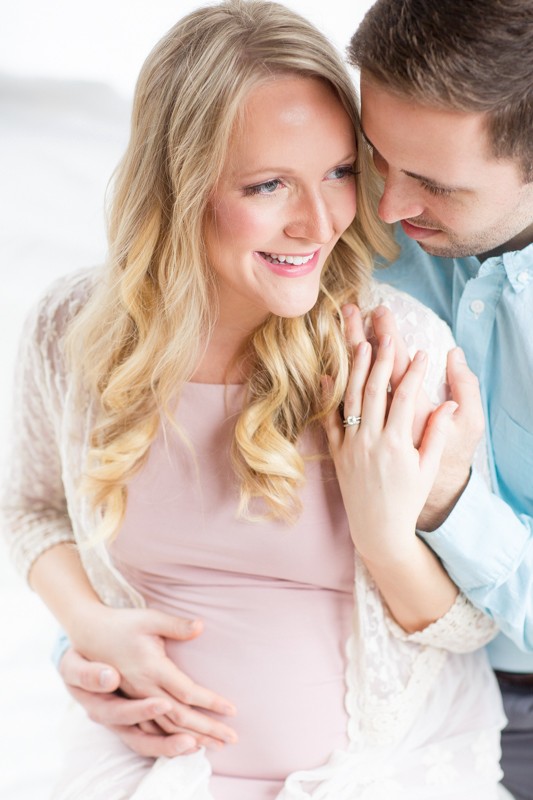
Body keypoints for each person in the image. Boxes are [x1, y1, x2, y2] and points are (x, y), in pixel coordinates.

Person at [0, 1, 506, 798]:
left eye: (340, 172)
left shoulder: (391, 344)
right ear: (179, 183)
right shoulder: (72, 331)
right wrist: (85, 629)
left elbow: (472, 624)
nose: (319, 221)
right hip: (152, 770)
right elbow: (30, 509)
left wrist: (383, 535)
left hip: (382, 772)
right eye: (269, 184)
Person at [347, 1, 533, 798]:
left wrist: (451, 499)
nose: (386, 206)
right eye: (376, 156)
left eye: (432, 184)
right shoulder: (345, 214)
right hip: (358, 676)